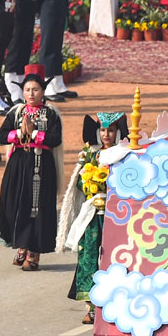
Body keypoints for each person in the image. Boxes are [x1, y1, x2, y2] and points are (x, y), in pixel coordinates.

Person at [57, 113, 128, 324]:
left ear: (118, 132)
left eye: (111, 130)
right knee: (88, 256)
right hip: (92, 213)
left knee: (114, 257)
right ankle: (91, 307)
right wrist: (89, 185)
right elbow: (78, 184)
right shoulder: (89, 155)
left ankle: (115, 302)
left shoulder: (125, 154)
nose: (107, 134)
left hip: (117, 215)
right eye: (103, 130)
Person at [0, 64, 63, 271]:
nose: (31, 93)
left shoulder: (51, 113)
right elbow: (1, 136)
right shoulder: (16, 112)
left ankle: (34, 252)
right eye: (27, 90)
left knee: (38, 208)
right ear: (22, 91)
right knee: (15, 204)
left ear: (42, 91)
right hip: (18, 165)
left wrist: (33, 133)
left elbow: (54, 139)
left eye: (35, 89)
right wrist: (18, 133)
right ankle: (22, 245)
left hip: (41, 167)